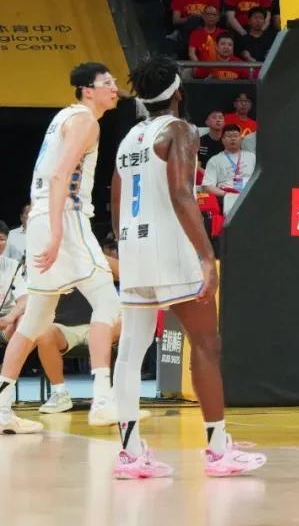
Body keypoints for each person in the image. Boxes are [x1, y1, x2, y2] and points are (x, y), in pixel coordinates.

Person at [111, 57, 265, 477]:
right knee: (206, 344)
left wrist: (127, 248)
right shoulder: (179, 130)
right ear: (178, 92)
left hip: (134, 248)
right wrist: (205, 256)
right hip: (171, 248)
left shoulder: (128, 138)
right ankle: (217, 449)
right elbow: (182, 194)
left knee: (130, 353)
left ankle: (130, 454)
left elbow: (116, 203)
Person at [0, 63, 122, 435]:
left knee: (35, 321)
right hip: (64, 217)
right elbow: (59, 176)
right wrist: (56, 233)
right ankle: (103, 400)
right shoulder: (85, 121)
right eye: (107, 83)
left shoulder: (63, 118)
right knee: (109, 305)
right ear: (88, 90)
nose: (115, 87)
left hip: (42, 217)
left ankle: (2, 408)